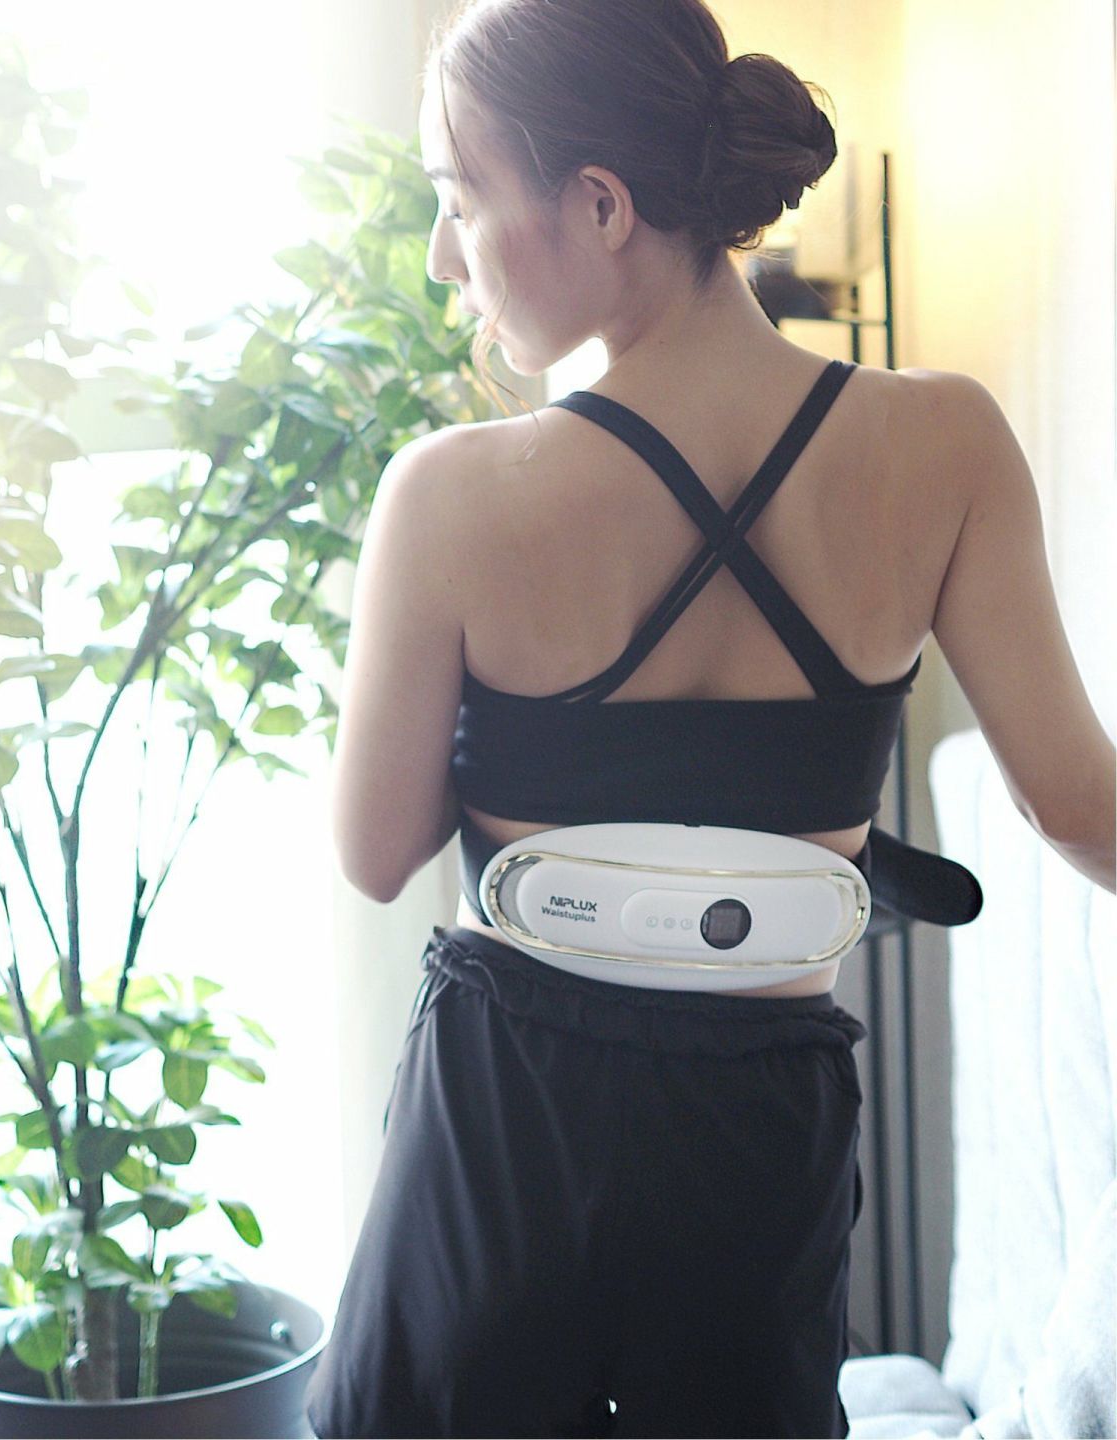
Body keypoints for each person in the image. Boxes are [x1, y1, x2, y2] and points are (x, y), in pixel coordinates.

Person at [305, 0, 1117, 1434]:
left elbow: (376, 855)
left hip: (505, 1128)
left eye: (461, 197)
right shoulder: (947, 446)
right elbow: (1079, 806)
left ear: (601, 204)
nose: (444, 253)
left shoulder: (450, 495)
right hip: (757, 1137)